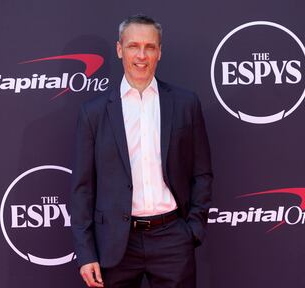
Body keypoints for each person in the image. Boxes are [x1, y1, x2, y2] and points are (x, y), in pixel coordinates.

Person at [70, 14, 213, 288]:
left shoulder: (185, 104)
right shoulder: (94, 113)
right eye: (134, 46)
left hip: (172, 238)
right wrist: (85, 252)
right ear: (119, 49)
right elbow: (82, 189)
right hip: (114, 243)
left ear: (159, 52)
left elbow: (202, 172)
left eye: (149, 47)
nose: (141, 55)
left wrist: (192, 230)